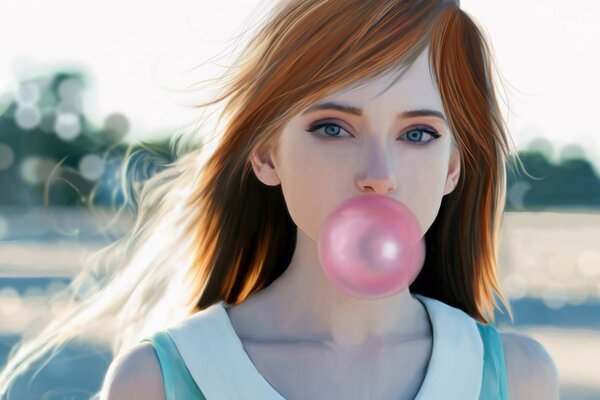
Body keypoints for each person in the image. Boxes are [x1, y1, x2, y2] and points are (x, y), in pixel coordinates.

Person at [0, 0, 559, 399]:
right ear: (267, 153)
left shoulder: (517, 378)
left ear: (453, 167)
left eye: (418, 135)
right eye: (334, 128)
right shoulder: (159, 380)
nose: (379, 175)